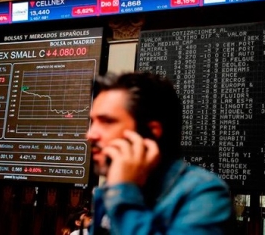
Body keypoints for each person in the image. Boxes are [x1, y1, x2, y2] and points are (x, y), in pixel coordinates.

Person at [86, 72, 233, 234]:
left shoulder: (204, 194)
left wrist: (123, 193)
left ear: (150, 131)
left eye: (107, 121)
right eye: (93, 122)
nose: (90, 134)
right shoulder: (111, 188)